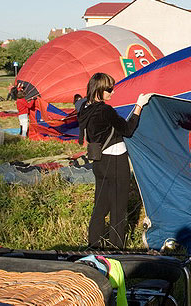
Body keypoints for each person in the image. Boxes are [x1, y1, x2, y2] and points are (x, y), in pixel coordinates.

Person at [78, 72, 152, 249]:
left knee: (100, 207)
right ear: (99, 90)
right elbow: (128, 129)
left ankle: (93, 246)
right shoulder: (105, 110)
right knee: (118, 210)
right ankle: (116, 250)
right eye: (109, 89)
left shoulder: (84, 108)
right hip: (116, 161)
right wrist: (139, 106)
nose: (113, 93)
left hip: (99, 162)